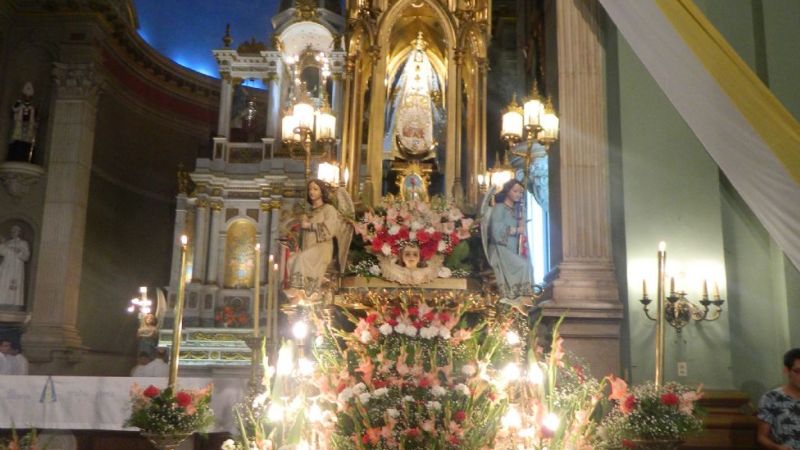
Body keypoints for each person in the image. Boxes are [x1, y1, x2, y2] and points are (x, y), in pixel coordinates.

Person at [486, 179, 535, 306]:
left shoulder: (518, 211)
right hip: (500, 248)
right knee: (523, 265)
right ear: (507, 191)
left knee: (528, 264)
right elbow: (496, 231)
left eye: (521, 192)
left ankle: (523, 295)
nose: (518, 194)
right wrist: (517, 230)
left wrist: (522, 221)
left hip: (513, 248)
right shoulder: (499, 208)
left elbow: (523, 232)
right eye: (515, 191)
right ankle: (516, 295)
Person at [287, 180, 341, 291]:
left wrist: (309, 225)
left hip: (323, 247)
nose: (311, 191)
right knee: (291, 260)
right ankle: (300, 291)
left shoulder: (329, 209)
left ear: (322, 192)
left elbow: (330, 229)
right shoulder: (309, 213)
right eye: (310, 189)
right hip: (309, 247)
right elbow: (303, 237)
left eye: (315, 189)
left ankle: (300, 291)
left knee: (302, 258)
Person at [757, 348, 800, 450]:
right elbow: (761, 437)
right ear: (786, 370)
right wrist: (777, 447)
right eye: (798, 371)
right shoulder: (771, 398)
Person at [0, 225, 31, 308]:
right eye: (12, 231)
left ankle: (13, 304)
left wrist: (18, 251)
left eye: (16, 231)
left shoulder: (23, 243)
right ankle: (2, 301)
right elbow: (2, 252)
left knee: (14, 286)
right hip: (6, 267)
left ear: (19, 232)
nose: (13, 232)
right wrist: (3, 243)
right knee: (3, 284)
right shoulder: (8, 242)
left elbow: (26, 257)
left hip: (16, 268)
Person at [7, 82, 37, 162]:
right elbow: (14, 109)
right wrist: (19, 102)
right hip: (19, 129)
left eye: (29, 97)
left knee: (26, 146)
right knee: (17, 144)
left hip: (28, 131)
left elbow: (34, 120)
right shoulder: (19, 105)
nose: (27, 98)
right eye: (26, 97)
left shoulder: (32, 109)